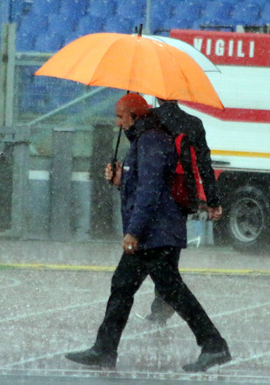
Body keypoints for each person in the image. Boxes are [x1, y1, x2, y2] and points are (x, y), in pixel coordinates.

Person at [65, 93, 231, 373]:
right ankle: (105, 349)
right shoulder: (144, 139)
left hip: (155, 232)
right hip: (155, 232)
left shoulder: (152, 139)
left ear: (135, 116)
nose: (118, 123)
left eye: (120, 117)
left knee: (169, 290)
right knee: (124, 285)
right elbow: (143, 183)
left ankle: (214, 345)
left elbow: (150, 191)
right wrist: (121, 179)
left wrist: (133, 232)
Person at [145, 98, 222, 325]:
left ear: (158, 95)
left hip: (153, 196)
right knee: (169, 254)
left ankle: (163, 306)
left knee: (152, 256)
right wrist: (212, 200)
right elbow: (204, 165)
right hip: (179, 198)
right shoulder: (193, 123)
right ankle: (162, 306)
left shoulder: (149, 120)